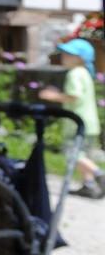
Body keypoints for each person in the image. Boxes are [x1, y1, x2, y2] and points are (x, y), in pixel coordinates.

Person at [41, 38, 105, 199]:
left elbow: (74, 96)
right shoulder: (85, 73)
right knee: (83, 154)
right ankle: (88, 185)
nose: (64, 56)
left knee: (73, 154)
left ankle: (100, 174)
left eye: (69, 54)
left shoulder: (75, 73)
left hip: (77, 123)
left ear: (81, 58)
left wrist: (52, 96)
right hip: (90, 122)